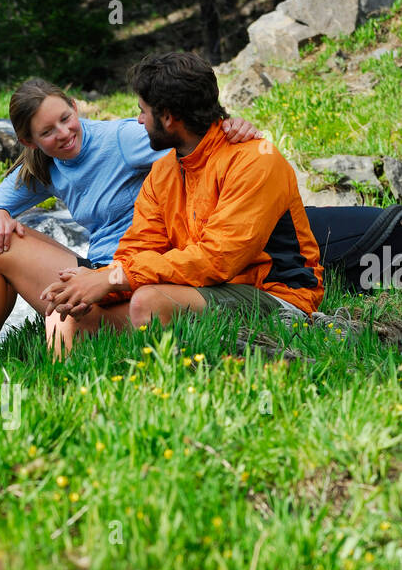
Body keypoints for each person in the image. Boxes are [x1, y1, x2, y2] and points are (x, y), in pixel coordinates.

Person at [0, 76, 259, 389]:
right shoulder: (47, 164)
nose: (63, 134)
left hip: (143, 274)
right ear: (28, 141)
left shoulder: (121, 139)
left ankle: (80, 352)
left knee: (64, 309)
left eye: (65, 119)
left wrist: (230, 127)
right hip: (98, 272)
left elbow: (189, 137)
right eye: (47, 132)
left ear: (75, 107)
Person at [40, 51, 324, 353]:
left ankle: (172, 387)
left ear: (168, 117)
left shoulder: (255, 160)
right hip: (200, 291)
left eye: (143, 111)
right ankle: (76, 393)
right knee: (71, 314)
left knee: (149, 302)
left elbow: (217, 259)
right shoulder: (164, 172)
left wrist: (112, 279)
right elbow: (138, 249)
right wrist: (90, 286)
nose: (139, 120)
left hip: (278, 298)